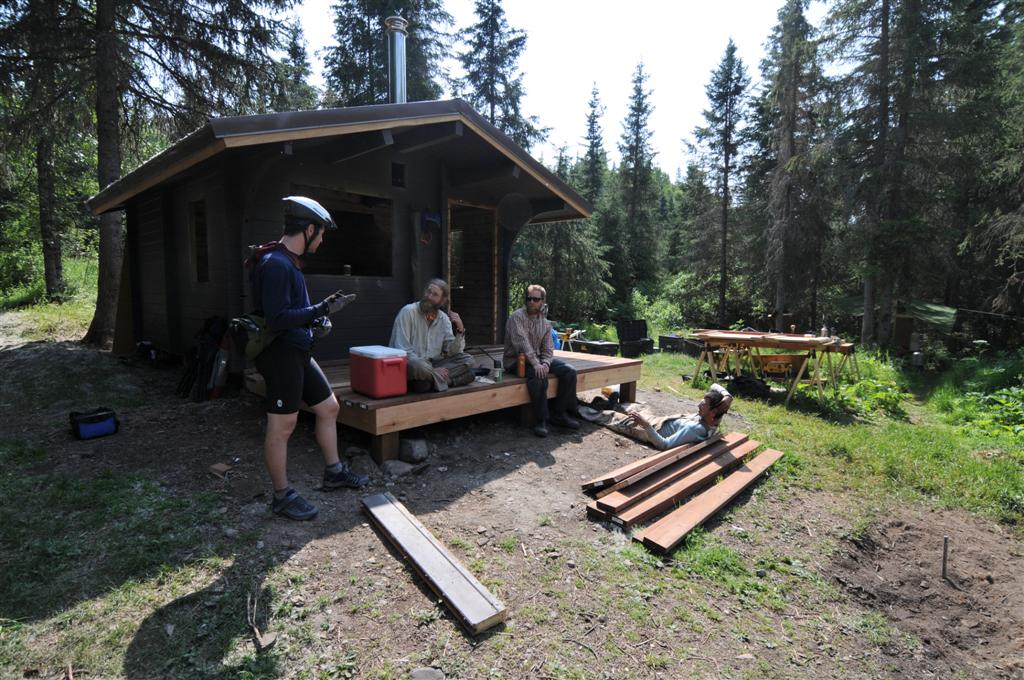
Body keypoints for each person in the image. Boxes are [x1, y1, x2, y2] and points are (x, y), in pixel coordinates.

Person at [251, 196, 369, 521]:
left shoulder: (289, 262)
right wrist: (322, 309)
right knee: (284, 425)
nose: (322, 239)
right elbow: (276, 318)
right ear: (309, 229)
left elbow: (291, 312)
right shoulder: (275, 263)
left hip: (298, 350)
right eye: (321, 233)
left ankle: (334, 472)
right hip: (279, 354)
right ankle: (282, 496)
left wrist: (316, 321)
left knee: (329, 407)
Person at [504, 284, 579, 437]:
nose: (531, 302)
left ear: (543, 301)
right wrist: (537, 364)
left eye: (535, 299)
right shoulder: (516, 317)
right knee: (539, 377)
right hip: (516, 360)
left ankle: (559, 414)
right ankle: (541, 420)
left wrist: (545, 363)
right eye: (529, 298)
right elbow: (521, 343)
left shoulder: (545, 323)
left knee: (569, 371)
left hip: (537, 359)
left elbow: (548, 348)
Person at [389, 278, 476, 392]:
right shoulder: (408, 312)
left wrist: (460, 329)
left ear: (442, 300)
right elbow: (402, 351)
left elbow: (451, 352)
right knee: (417, 365)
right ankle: (449, 381)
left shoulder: (443, 319)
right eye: (428, 292)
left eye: (435, 295)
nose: (429, 296)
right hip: (411, 364)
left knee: (468, 360)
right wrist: (433, 370)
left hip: (433, 364)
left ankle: (429, 382)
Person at [623, 383, 732, 450]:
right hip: (659, 420)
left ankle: (609, 406)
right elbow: (714, 385)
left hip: (648, 430)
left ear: (712, 412)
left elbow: (664, 445)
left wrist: (645, 425)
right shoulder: (714, 417)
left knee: (611, 416)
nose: (698, 405)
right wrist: (728, 396)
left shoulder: (694, 429)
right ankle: (614, 404)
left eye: (703, 405)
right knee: (635, 406)